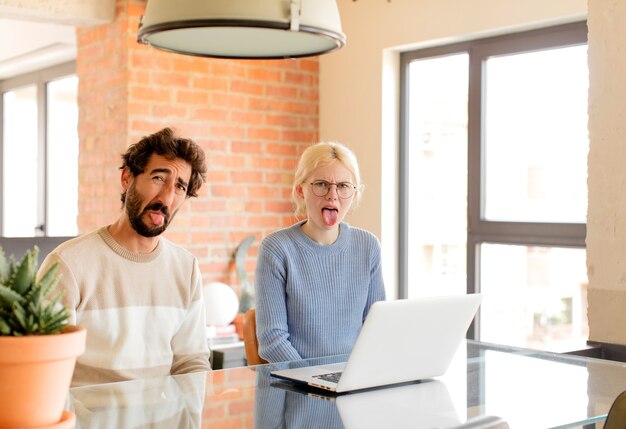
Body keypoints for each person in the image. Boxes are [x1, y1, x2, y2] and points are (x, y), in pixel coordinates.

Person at [38, 127, 211, 386]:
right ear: (127, 178)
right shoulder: (68, 264)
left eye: (179, 187)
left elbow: (191, 363)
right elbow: (46, 368)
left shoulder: (185, 268)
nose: (166, 197)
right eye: (158, 178)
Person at [255, 141, 386, 363]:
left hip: (353, 382)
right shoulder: (276, 249)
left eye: (343, 186)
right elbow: (272, 340)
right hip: (298, 387)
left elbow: (376, 327)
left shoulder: (368, 246)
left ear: (354, 195)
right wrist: (315, 381)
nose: (332, 195)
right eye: (321, 184)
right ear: (300, 190)